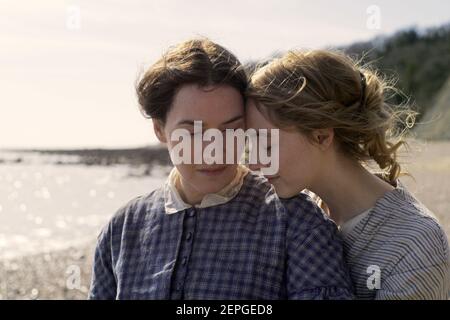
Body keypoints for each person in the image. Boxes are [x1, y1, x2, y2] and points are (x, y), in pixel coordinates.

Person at [88, 39, 353, 300]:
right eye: (193, 132)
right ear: (160, 129)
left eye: (230, 129)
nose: (214, 150)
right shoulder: (122, 229)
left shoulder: (296, 222)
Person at [246, 49, 450, 299]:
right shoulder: (299, 212)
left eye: (267, 146)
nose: (254, 164)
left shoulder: (416, 244)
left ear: (321, 136)